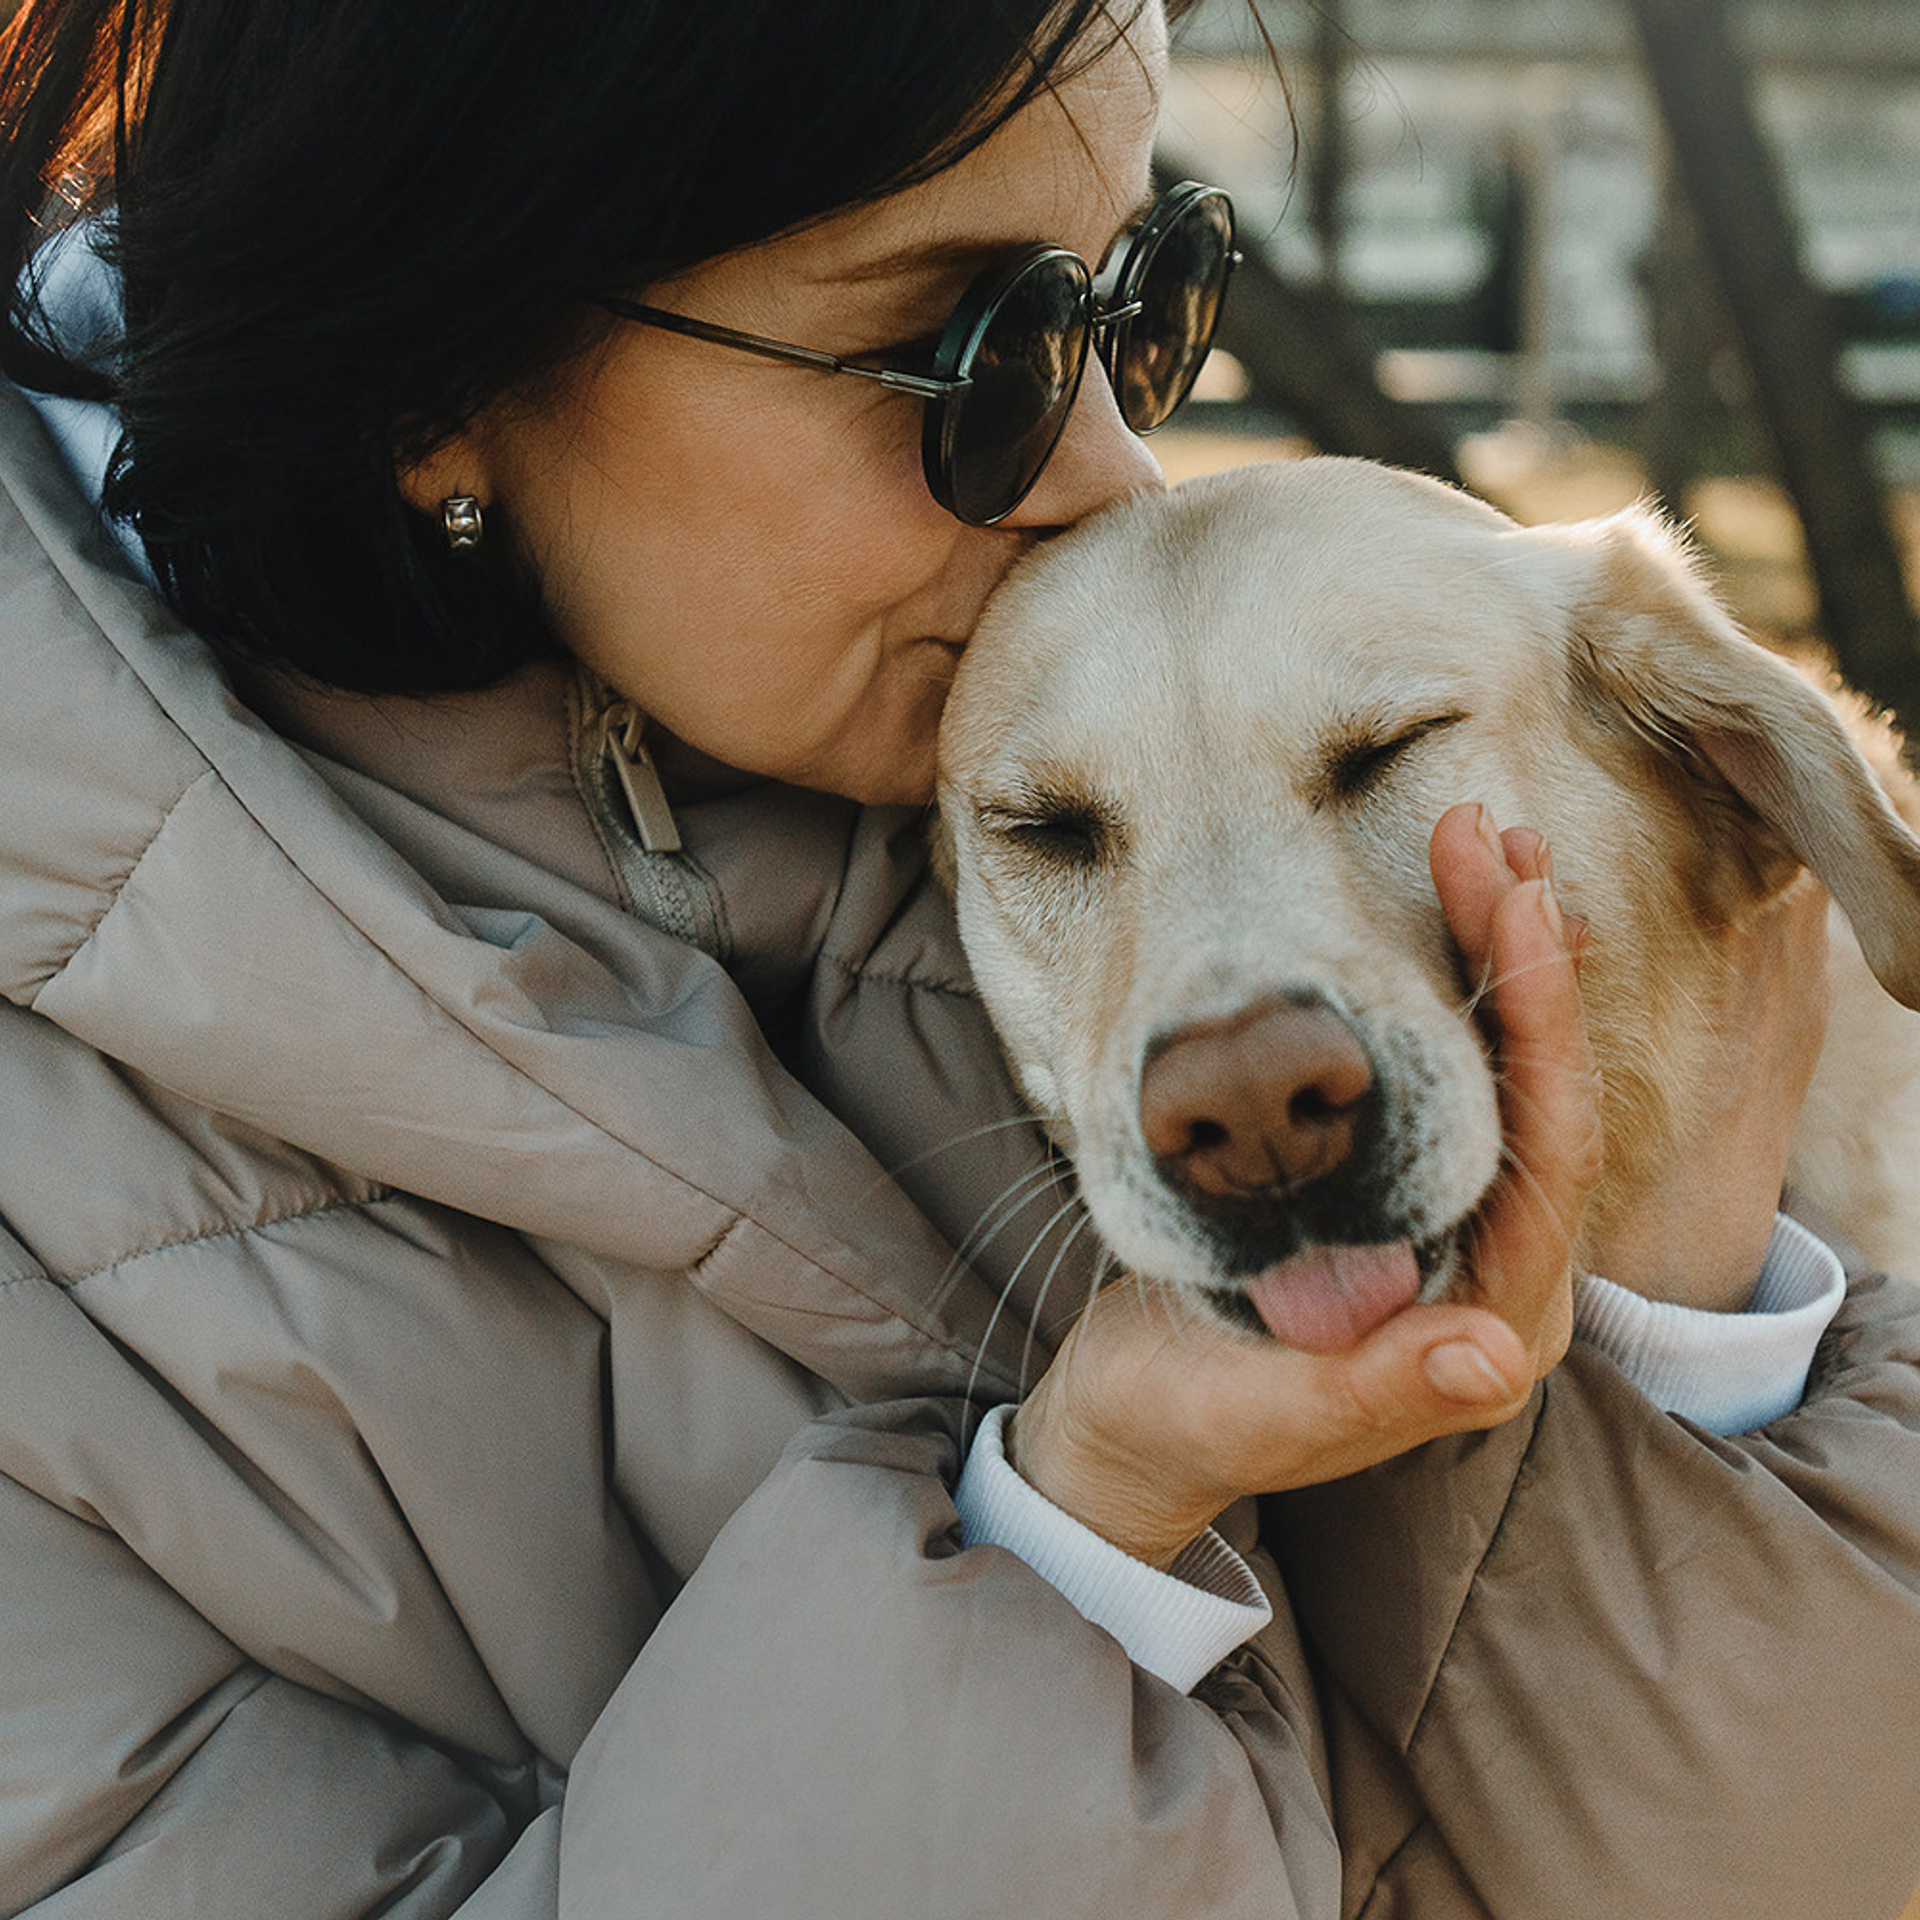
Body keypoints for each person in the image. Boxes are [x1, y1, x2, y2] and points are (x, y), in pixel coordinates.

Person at [0, 2, 1915, 1916]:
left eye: (1120, 310)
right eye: (951, 353)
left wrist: (1684, 1290)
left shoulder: (1012, 736)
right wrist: (1068, 1533)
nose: (1105, 475)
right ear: (436, 370)